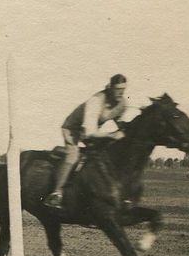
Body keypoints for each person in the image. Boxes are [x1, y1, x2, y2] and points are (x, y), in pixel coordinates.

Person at [45, 75, 130, 209]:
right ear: (110, 88)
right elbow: (89, 133)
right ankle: (56, 194)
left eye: (123, 89)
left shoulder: (122, 104)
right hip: (72, 128)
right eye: (118, 89)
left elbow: (120, 123)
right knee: (73, 156)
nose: (121, 92)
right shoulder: (95, 101)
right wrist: (112, 135)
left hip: (93, 131)